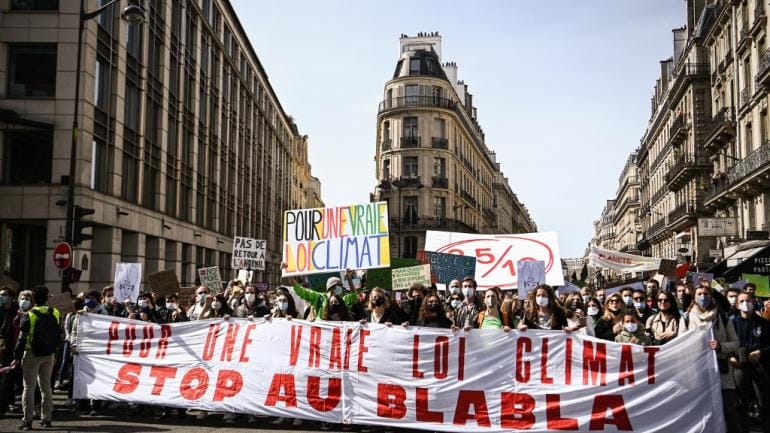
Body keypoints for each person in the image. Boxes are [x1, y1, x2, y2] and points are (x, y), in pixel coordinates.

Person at [678, 284, 740, 433]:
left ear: (711, 297)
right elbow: (680, 346)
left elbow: (736, 343)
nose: (703, 297)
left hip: (721, 372)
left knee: (729, 411)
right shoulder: (686, 318)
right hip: (697, 374)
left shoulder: (723, 316)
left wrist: (721, 347)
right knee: (701, 412)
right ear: (693, 297)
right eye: (699, 294)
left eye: (706, 294)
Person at [12, 286, 60, 431]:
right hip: (49, 354)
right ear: (47, 298)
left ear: (33, 299)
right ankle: (47, 418)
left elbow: (22, 339)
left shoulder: (29, 315)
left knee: (28, 388)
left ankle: (27, 420)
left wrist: (16, 357)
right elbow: (57, 334)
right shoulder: (55, 312)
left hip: (31, 354)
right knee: (46, 387)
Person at [730, 292, 770, 433]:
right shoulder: (732, 322)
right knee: (741, 403)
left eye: (748, 300)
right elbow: (727, 343)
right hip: (739, 365)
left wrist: (761, 352)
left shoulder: (763, 323)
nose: (745, 303)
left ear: (753, 302)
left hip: (759, 366)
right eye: (742, 301)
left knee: (764, 402)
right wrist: (731, 357)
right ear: (737, 304)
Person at [0, 286, 19, 419]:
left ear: (11, 297)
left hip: (13, 350)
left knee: (10, 380)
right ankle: (4, 406)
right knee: (5, 380)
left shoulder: (17, 312)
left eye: (4, 295)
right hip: (2, 350)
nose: (1, 297)